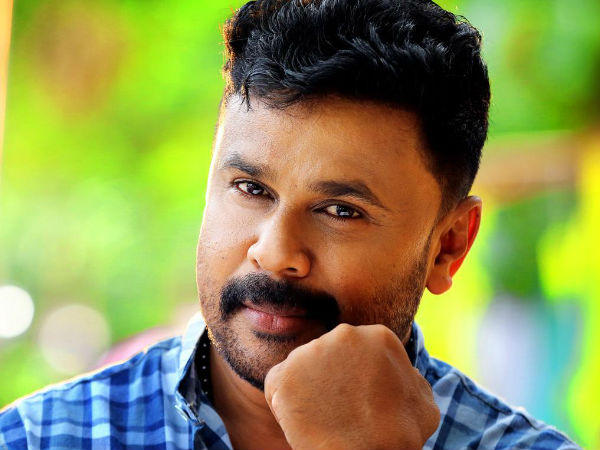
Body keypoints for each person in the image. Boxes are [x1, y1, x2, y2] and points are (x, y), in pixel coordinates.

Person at [0, 0, 582, 449]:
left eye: (341, 211)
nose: (276, 251)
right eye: (250, 189)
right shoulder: (39, 438)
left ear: (448, 246)